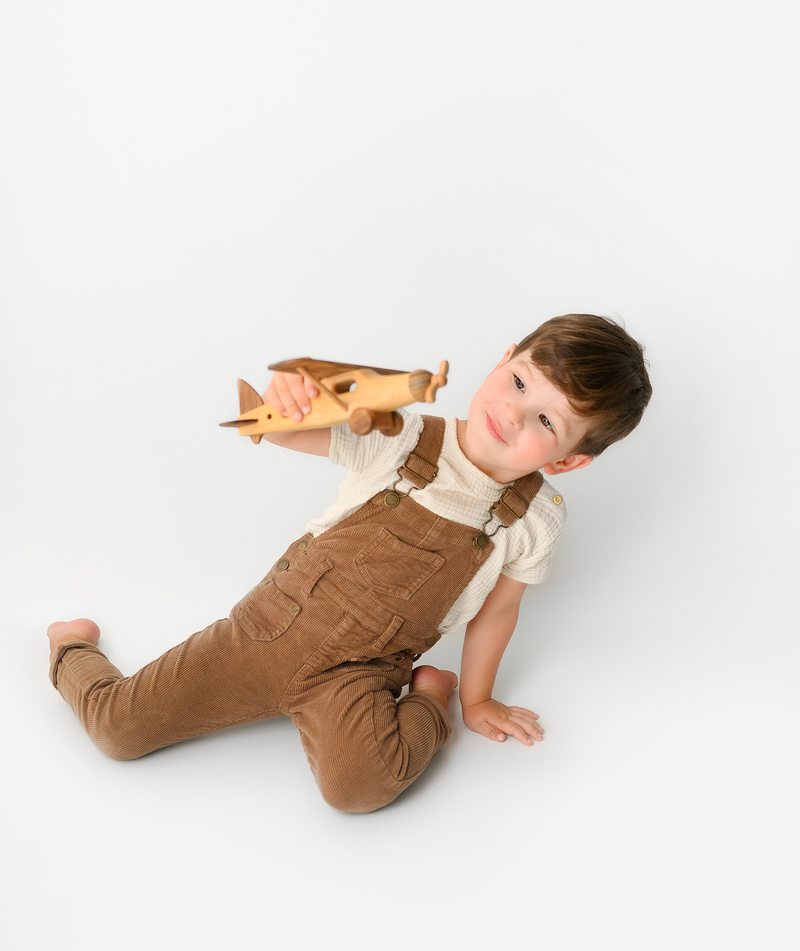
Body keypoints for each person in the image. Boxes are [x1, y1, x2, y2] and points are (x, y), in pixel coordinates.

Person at [47, 313, 651, 813]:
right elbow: (280, 431)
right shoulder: (405, 439)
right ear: (504, 358)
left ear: (569, 462)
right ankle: (70, 645)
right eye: (520, 382)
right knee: (116, 729)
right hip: (269, 629)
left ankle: (430, 698)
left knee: (360, 791)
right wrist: (295, 401)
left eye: (548, 420)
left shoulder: (535, 519)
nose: (515, 413)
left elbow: (498, 613)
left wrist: (477, 700)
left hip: (364, 670)